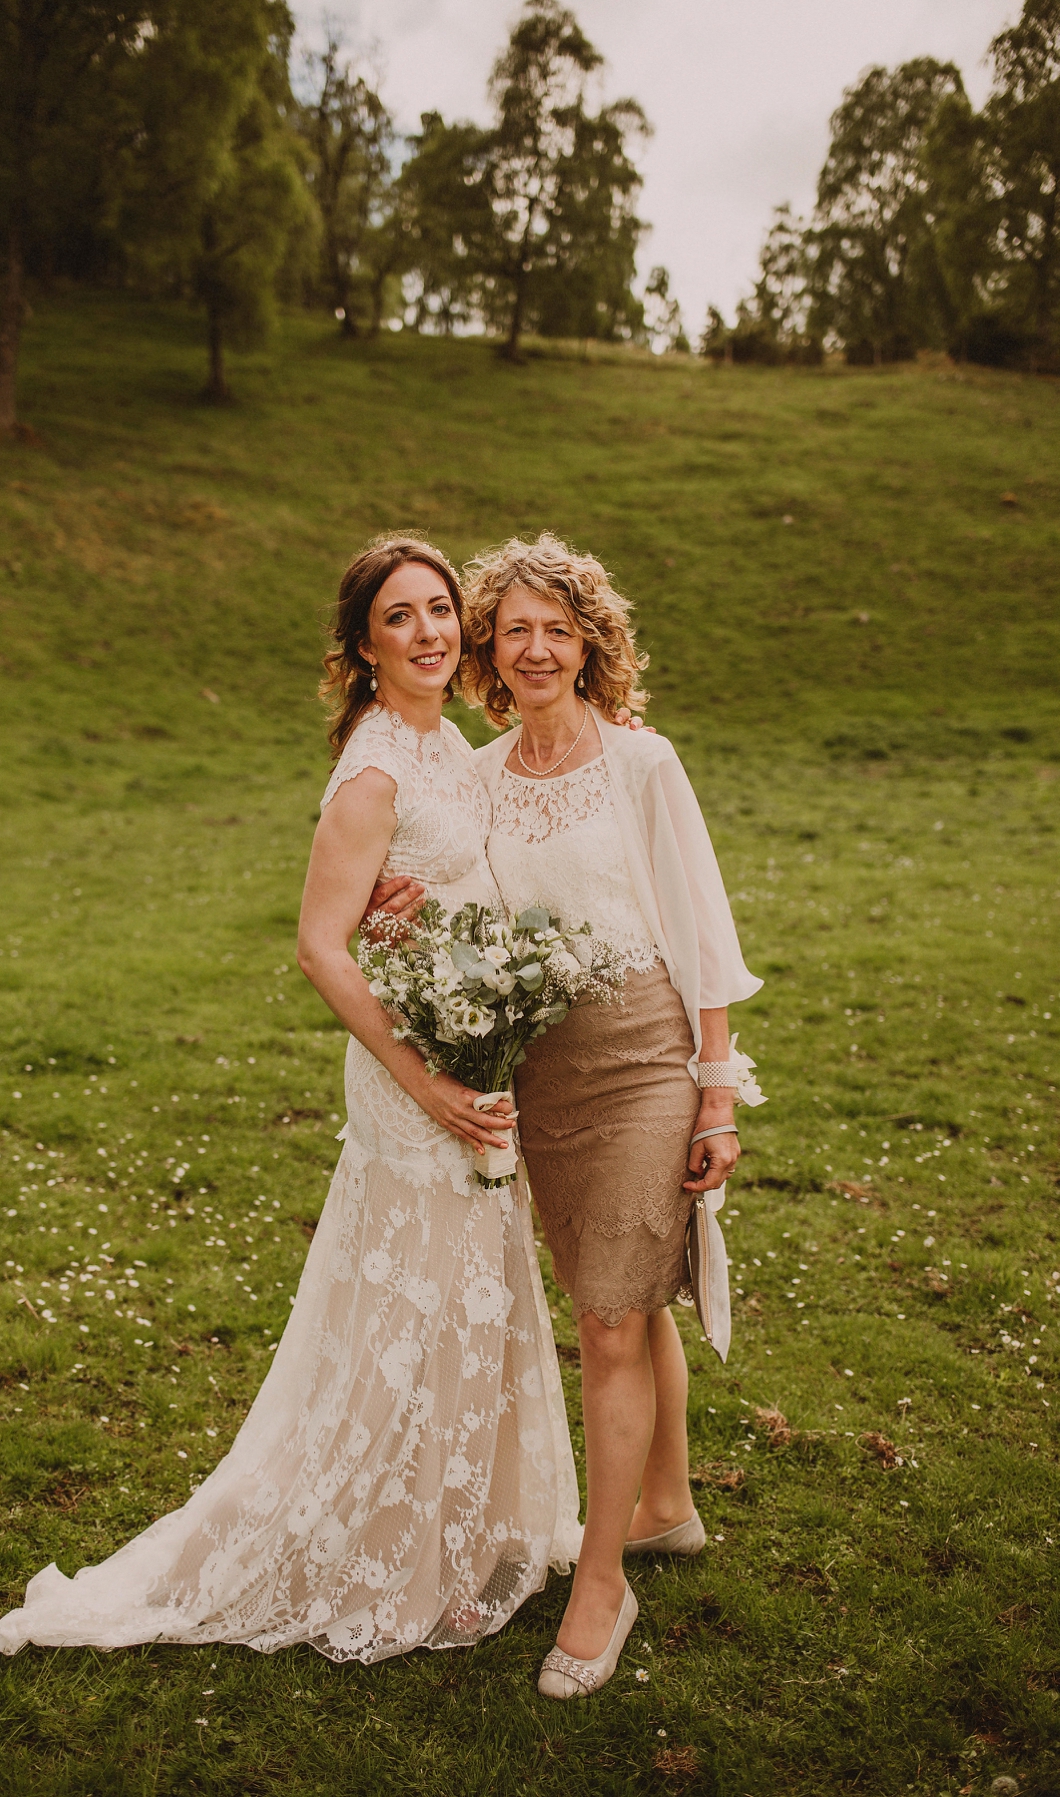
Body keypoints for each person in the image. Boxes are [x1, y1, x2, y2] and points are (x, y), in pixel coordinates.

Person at [0, 536, 581, 1664]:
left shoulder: (446, 739)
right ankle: (395, 1551)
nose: (431, 632)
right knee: (412, 1309)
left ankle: (463, 1532)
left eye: (442, 610)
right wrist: (430, 1080)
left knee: (468, 1300)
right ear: (364, 645)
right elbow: (318, 946)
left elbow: (461, 885)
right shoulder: (375, 768)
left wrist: (458, 952)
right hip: (416, 1076)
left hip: (467, 1050)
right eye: (399, 617)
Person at [463, 532, 763, 1699]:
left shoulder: (642, 762)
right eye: (516, 628)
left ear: (590, 642)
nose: (536, 648)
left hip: (644, 1057)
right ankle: (669, 1507)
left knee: (603, 1321)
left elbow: (703, 927)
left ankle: (602, 1583)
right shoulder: (479, 777)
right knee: (623, 1298)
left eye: (558, 627)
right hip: (538, 1074)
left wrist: (716, 1093)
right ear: (492, 645)